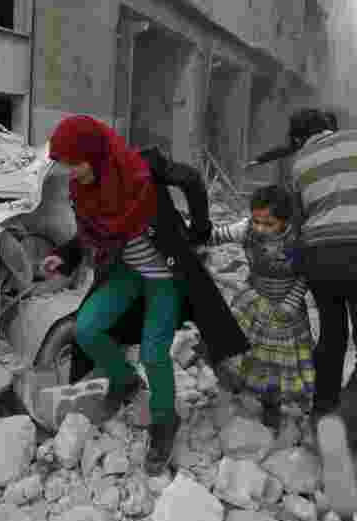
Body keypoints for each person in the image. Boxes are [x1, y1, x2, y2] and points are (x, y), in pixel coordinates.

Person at [41, 117, 249, 476]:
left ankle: (165, 422)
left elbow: (192, 180)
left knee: (155, 354)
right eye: (66, 166)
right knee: (87, 329)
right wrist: (65, 255)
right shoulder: (84, 190)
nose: (71, 173)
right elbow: (87, 235)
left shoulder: (142, 169)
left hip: (165, 275)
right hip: (125, 273)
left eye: (75, 163)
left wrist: (199, 230)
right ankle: (124, 380)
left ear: (95, 153)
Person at [287, 108, 357, 519]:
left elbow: (298, 222)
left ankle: (322, 411)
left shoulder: (298, 163)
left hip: (318, 254)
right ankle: (341, 438)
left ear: (300, 140)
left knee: (332, 334)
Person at [206, 185, 313, 431]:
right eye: (256, 221)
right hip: (253, 299)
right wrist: (189, 234)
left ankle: (271, 405)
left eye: (269, 224)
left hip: (286, 310)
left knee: (275, 362)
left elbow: (305, 276)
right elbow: (214, 235)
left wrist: (291, 302)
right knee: (238, 345)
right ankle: (234, 379)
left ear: (285, 221)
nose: (260, 228)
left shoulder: (299, 238)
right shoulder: (246, 229)